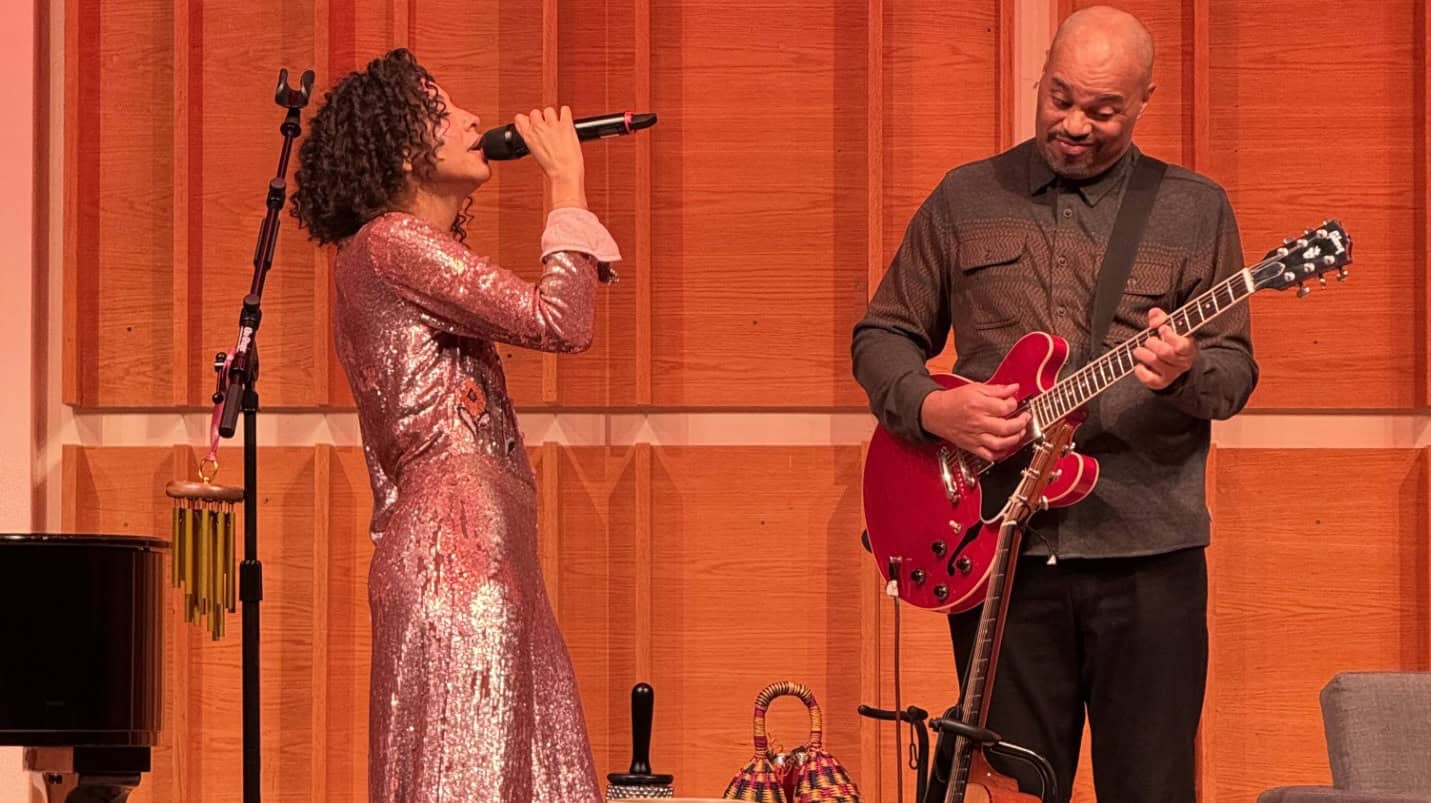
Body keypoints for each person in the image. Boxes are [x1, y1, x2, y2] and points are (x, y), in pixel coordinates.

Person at [851, 6, 1257, 802]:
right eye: (1059, 98)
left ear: (1143, 101)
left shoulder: (1193, 208)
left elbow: (1232, 372)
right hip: (999, 553)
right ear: (1040, 79)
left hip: (1149, 555)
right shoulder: (965, 197)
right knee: (1011, 791)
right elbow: (882, 335)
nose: (1073, 125)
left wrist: (1183, 371)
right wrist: (932, 409)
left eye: (1102, 111)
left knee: (1152, 788)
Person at [291, 48, 619, 802]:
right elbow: (559, 320)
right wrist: (566, 184)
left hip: (490, 559)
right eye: (442, 111)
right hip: (456, 564)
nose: (473, 119)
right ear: (403, 148)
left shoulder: (399, 254)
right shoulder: (390, 242)